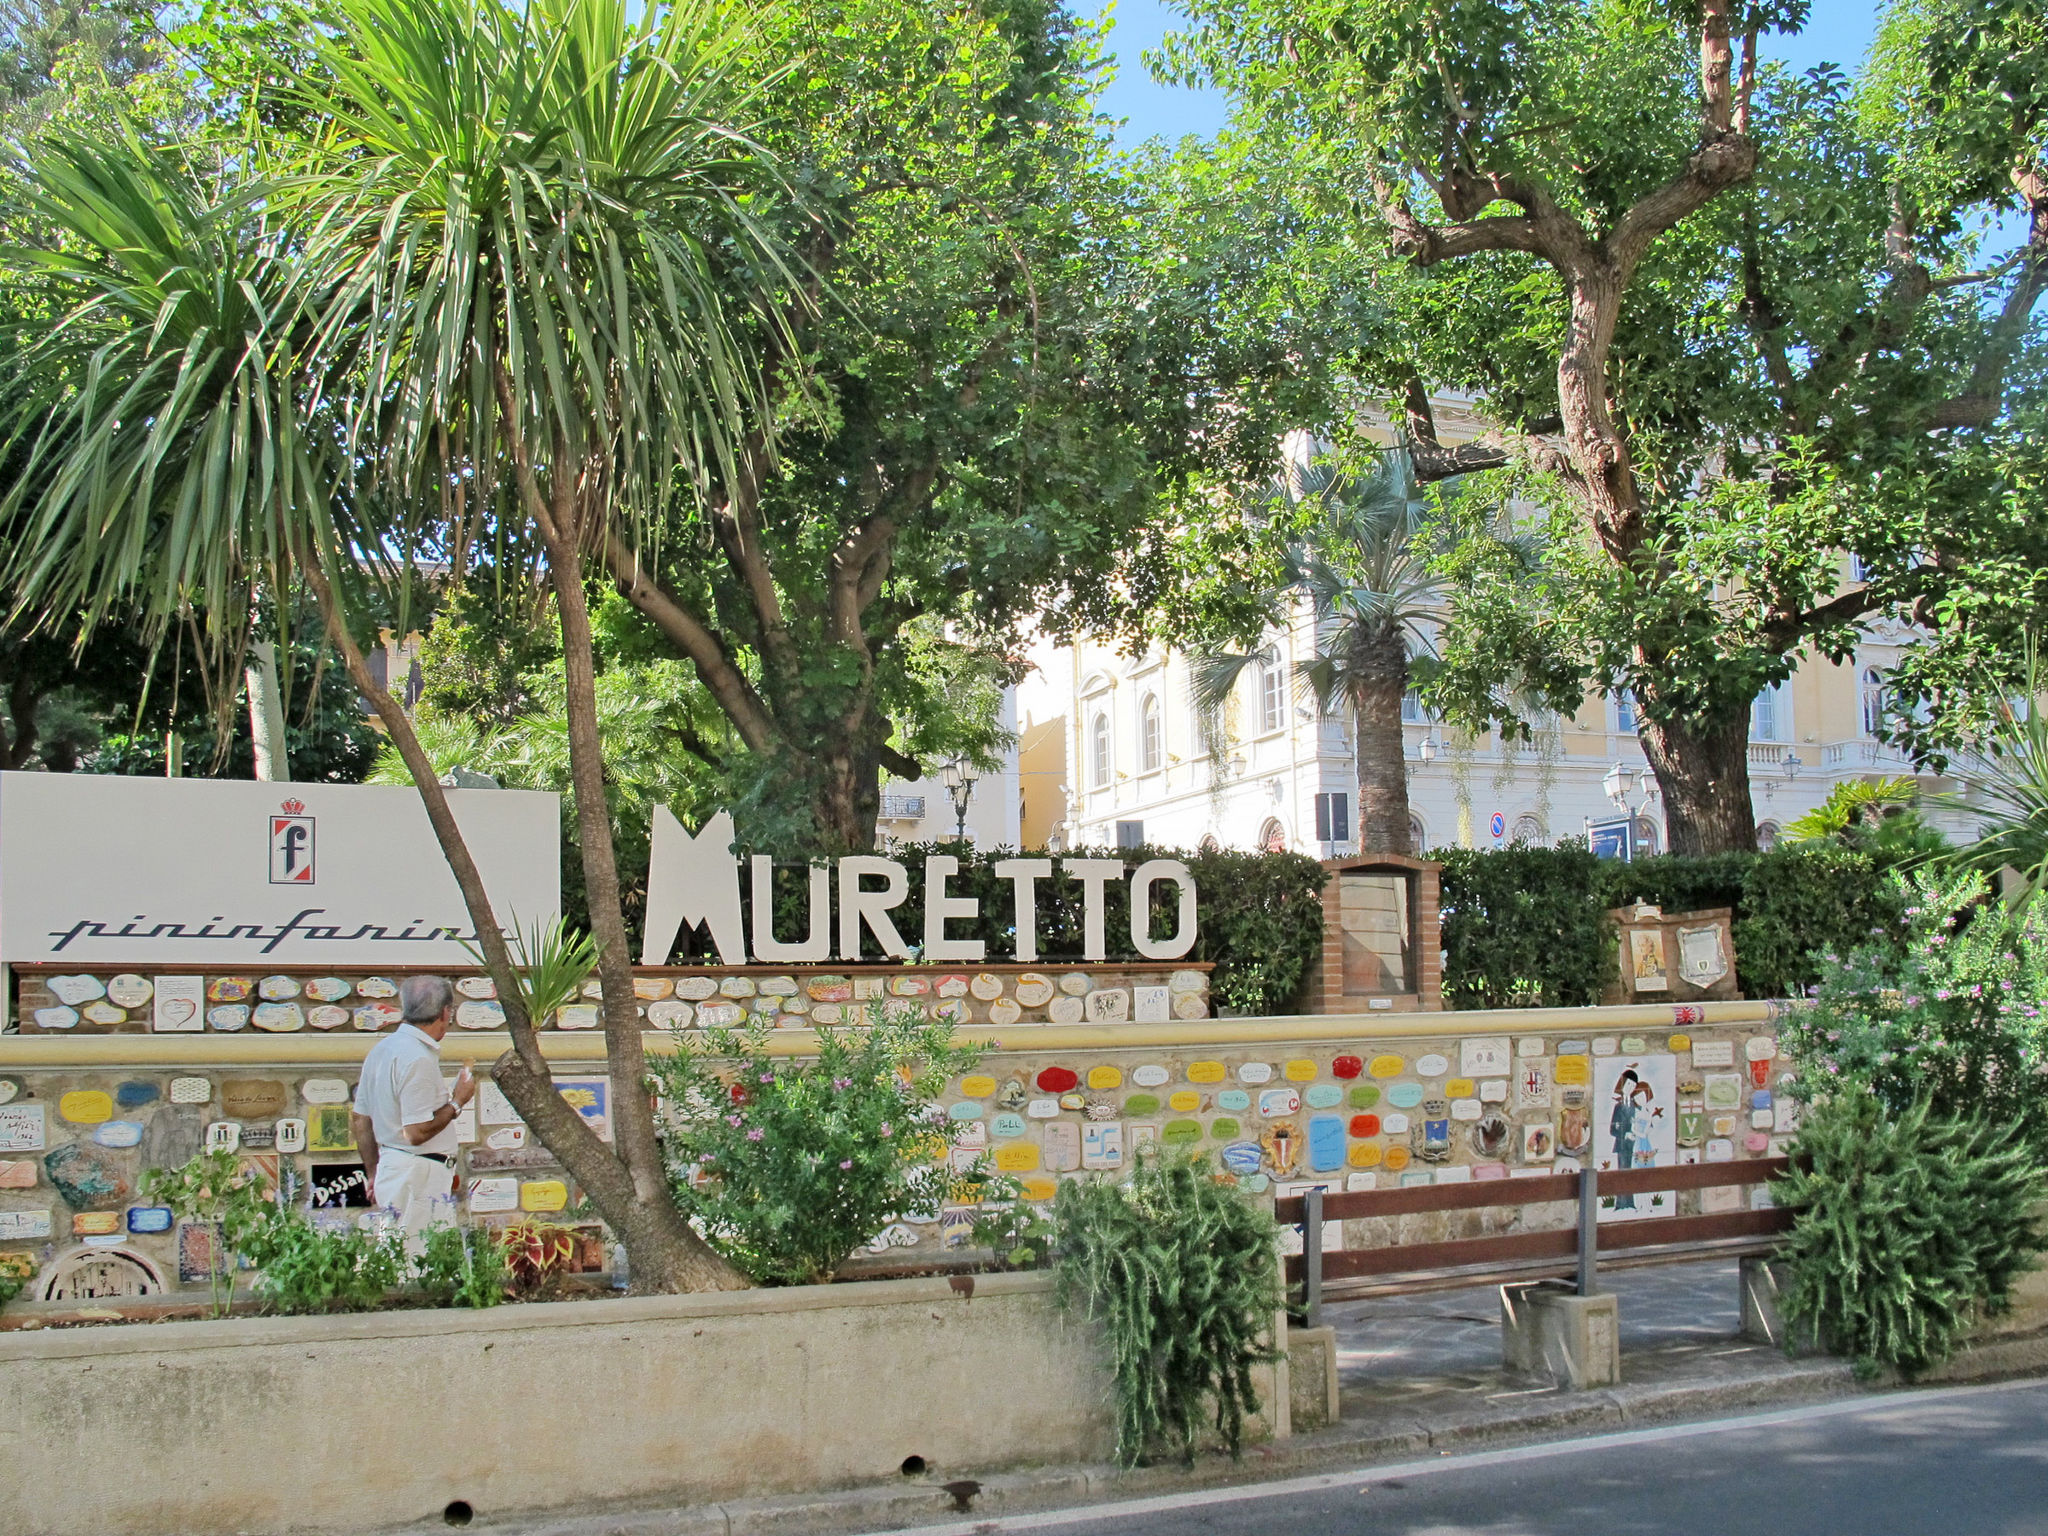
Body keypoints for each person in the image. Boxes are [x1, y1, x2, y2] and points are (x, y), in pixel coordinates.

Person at [349, 975, 475, 1242]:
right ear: (445, 1012)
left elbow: (361, 1119)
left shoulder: (381, 1050)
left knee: (398, 1254)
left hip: (394, 1166)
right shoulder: (417, 1057)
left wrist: (373, 1173)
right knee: (420, 1262)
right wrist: (457, 1102)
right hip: (419, 1172)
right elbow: (416, 1132)